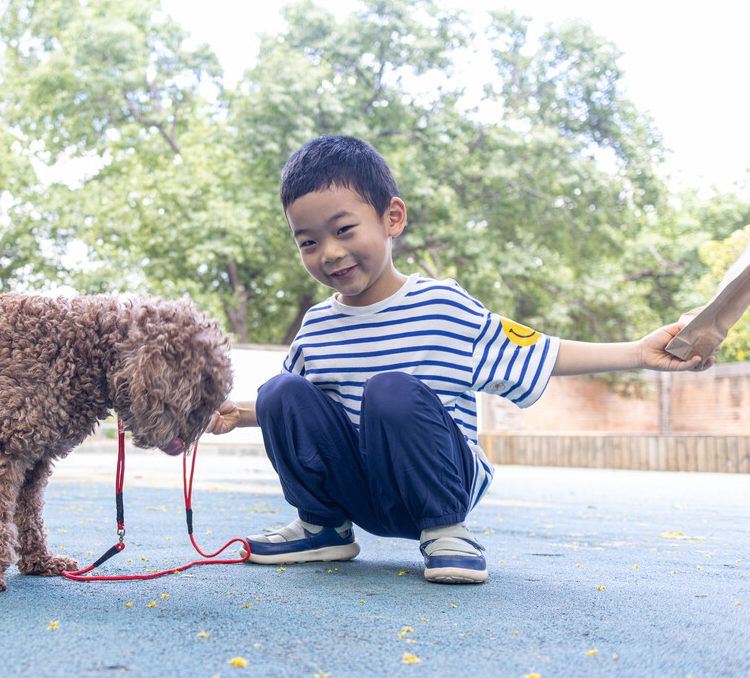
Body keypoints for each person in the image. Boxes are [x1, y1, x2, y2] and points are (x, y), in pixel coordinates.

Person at [205, 134, 712, 584]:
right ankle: (322, 527)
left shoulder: (443, 306)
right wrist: (240, 413)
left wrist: (638, 353)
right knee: (279, 389)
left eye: (343, 230)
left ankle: (447, 532)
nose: (330, 253)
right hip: (360, 490)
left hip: (435, 484)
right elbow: (302, 415)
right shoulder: (316, 326)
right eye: (309, 242)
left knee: (390, 390)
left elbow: (539, 350)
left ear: (392, 219)